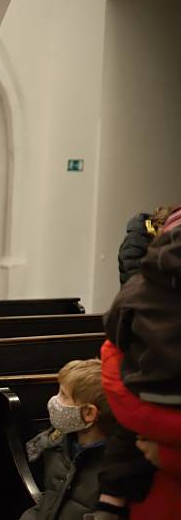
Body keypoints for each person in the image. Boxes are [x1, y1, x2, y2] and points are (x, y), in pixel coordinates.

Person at [92, 207, 181, 520]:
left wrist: (167, 454)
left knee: (126, 439)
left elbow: (113, 343)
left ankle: (108, 503)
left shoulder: (141, 289)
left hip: (143, 397)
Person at [19, 359, 114, 520]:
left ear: (88, 413)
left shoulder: (113, 468)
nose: (54, 401)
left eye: (63, 395)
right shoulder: (59, 444)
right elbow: (50, 501)